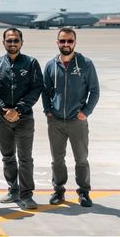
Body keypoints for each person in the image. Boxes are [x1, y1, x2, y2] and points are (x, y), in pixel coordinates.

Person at [42, 27, 99, 207]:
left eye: (69, 41)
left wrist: (86, 112)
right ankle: (58, 191)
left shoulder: (85, 64)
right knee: (57, 159)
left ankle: (84, 192)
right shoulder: (51, 65)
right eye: (62, 41)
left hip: (77, 121)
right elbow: (45, 91)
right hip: (56, 121)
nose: (66, 44)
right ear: (57, 42)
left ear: (75, 42)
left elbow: (95, 91)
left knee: (81, 159)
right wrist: (48, 111)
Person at [0, 28, 42, 210]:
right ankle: (13, 189)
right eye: (9, 41)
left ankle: (27, 194)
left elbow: (36, 89)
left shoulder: (31, 63)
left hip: (24, 118)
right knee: (8, 156)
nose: (12, 44)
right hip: (2, 119)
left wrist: (18, 109)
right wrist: (4, 111)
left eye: (16, 40)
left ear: (21, 42)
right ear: (3, 43)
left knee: (25, 157)